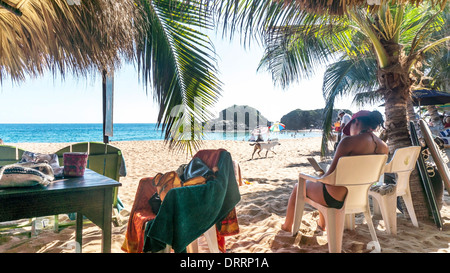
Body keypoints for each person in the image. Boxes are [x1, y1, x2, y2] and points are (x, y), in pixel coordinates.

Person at [282, 110, 389, 232]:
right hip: (361, 197)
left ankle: (286, 227)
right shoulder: (384, 147)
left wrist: (321, 175)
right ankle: (321, 225)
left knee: (298, 187)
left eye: (351, 126)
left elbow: (329, 177)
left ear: (357, 122)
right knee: (321, 185)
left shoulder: (348, 142)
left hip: (335, 199)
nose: (350, 132)